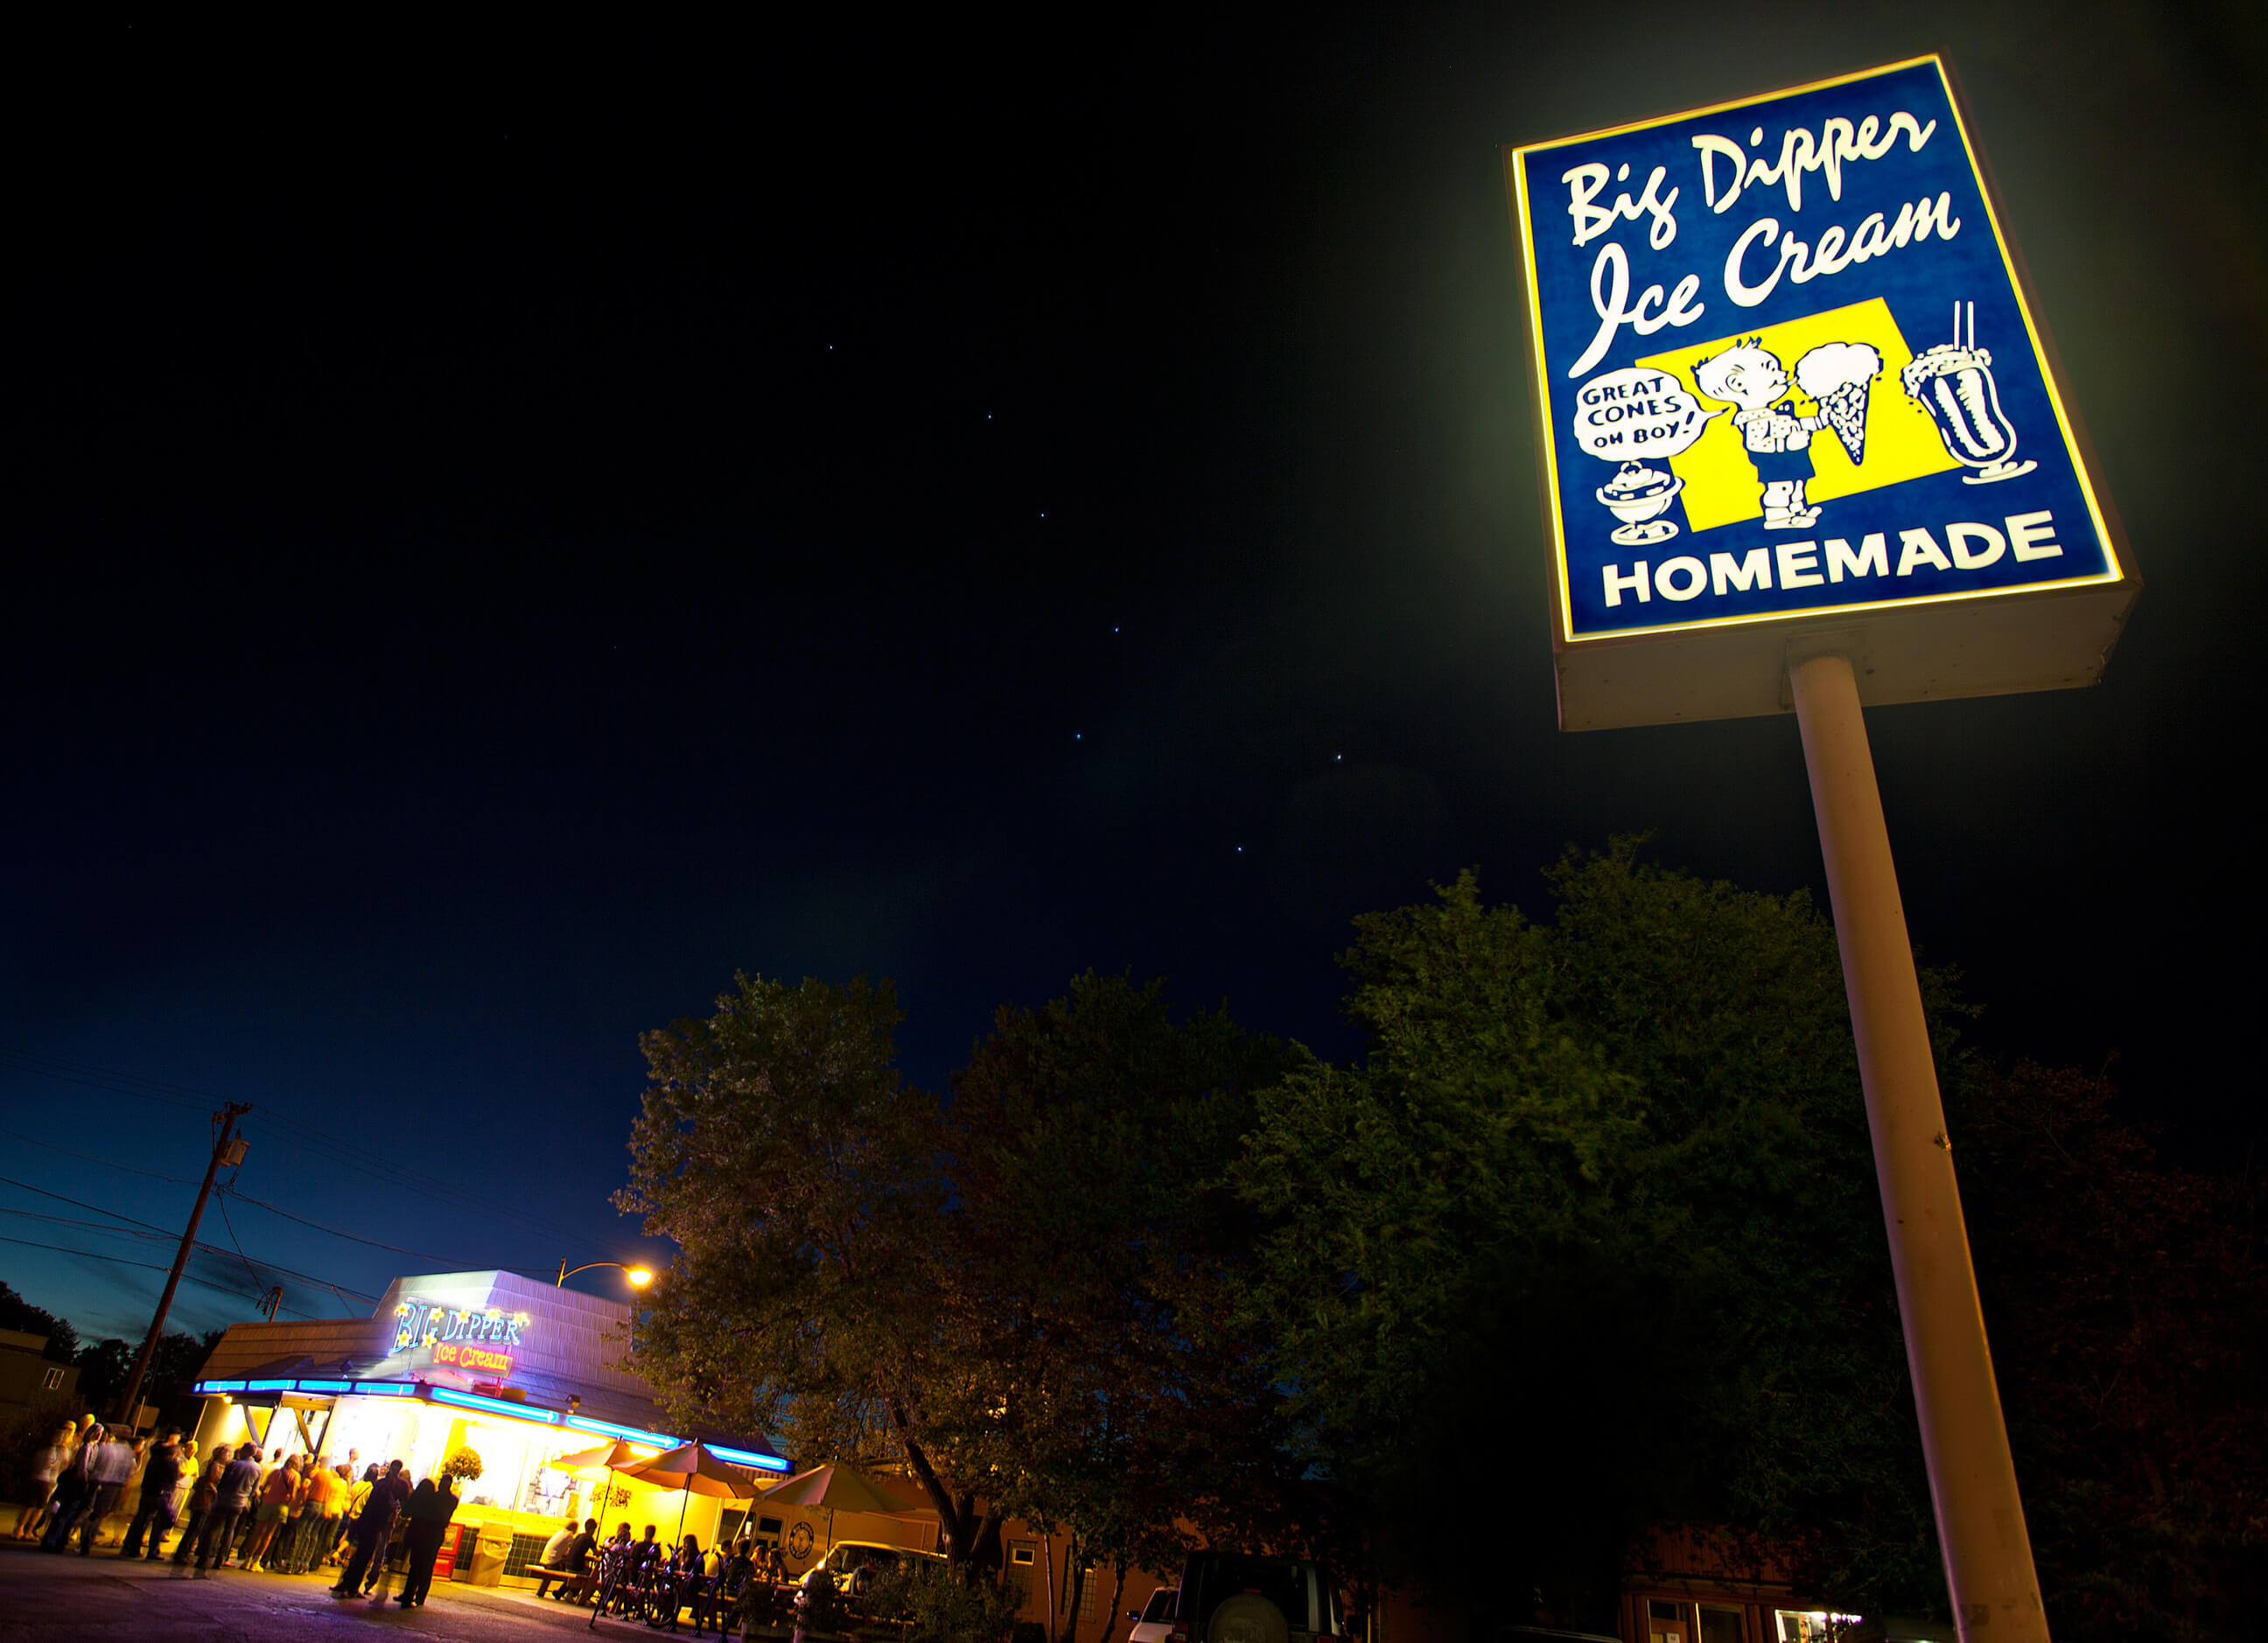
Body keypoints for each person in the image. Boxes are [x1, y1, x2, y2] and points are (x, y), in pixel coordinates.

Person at [332, 1459, 408, 1598]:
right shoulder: (398, 1486)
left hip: (369, 1522)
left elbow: (371, 1504)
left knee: (361, 1554)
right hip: (381, 1524)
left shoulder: (381, 1484)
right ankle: (356, 1586)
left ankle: (348, 1583)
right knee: (370, 1556)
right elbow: (403, 1504)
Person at [195, 1443, 262, 1576]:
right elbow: (255, 1490)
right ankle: (220, 1559)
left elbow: (223, 1482)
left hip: (225, 1500)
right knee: (229, 1531)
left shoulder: (234, 1465)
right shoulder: (257, 1469)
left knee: (214, 1529)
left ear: (244, 1451)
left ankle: (205, 1558)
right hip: (240, 1503)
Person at [396, 1473, 458, 1607]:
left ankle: (418, 1596)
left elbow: (441, 1516)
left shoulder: (448, 1499)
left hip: (433, 1535)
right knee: (419, 1565)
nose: (442, 1484)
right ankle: (411, 1594)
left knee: (425, 1566)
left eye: (444, 1482)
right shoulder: (442, 1498)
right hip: (431, 1535)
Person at [119, 1437, 182, 1559]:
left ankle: (132, 1547)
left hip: (148, 1492)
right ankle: (153, 1550)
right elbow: (173, 1479)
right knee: (158, 1523)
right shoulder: (171, 1463)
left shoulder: (154, 1459)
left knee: (141, 1520)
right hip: (161, 1495)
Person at [171, 1444, 229, 1570]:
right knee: (195, 1527)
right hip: (204, 1500)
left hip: (203, 1500)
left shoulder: (210, 1464)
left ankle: (183, 1552)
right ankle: (182, 1553)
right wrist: (216, 1493)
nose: (228, 1457)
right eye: (226, 1454)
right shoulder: (214, 1466)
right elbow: (211, 1481)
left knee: (195, 1527)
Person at [15, 1423, 75, 1542]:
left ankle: (19, 1529)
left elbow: (36, 1462)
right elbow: (63, 1467)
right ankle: (28, 1531)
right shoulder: (62, 1451)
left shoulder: (44, 1448)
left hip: (37, 1478)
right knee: (40, 1507)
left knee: (29, 1505)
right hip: (49, 1480)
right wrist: (57, 1464)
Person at [244, 1452, 300, 1569]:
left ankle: (248, 1559)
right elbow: (293, 1495)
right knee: (268, 1535)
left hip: (267, 1503)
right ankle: (256, 1561)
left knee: (257, 1532)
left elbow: (264, 1487)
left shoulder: (275, 1472)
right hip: (280, 1506)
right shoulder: (293, 1477)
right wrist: (287, 1504)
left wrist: (264, 1498)